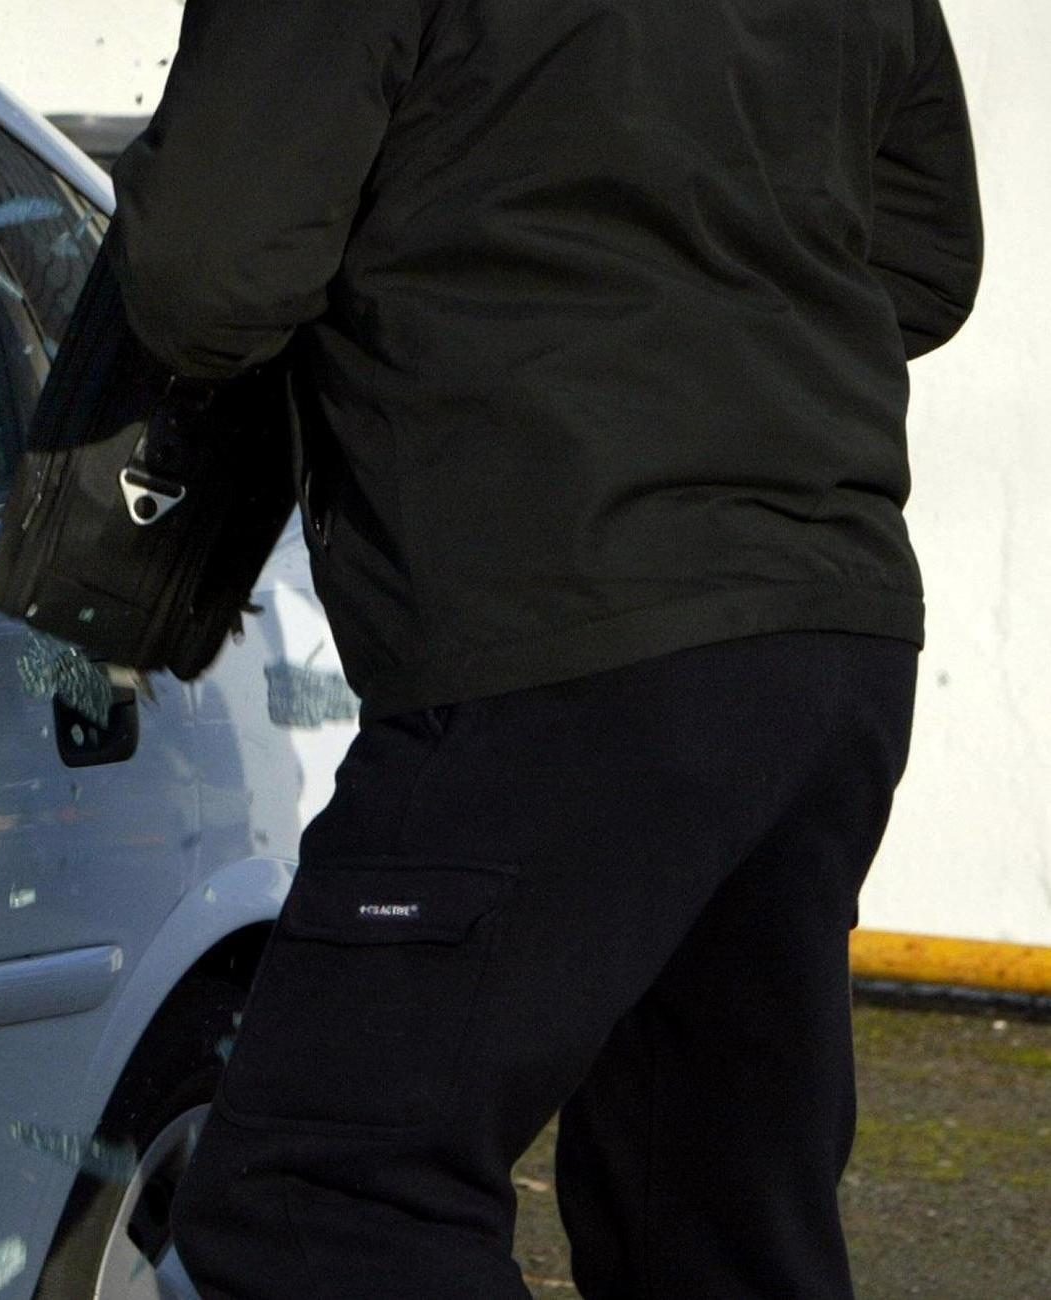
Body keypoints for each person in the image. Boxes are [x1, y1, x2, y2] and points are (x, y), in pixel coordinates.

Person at [105, 0, 982, 1295]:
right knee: (713, 1219)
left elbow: (211, 277)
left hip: (557, 629)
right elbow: (921, 255)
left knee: (325, 1197)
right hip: (822, 639)